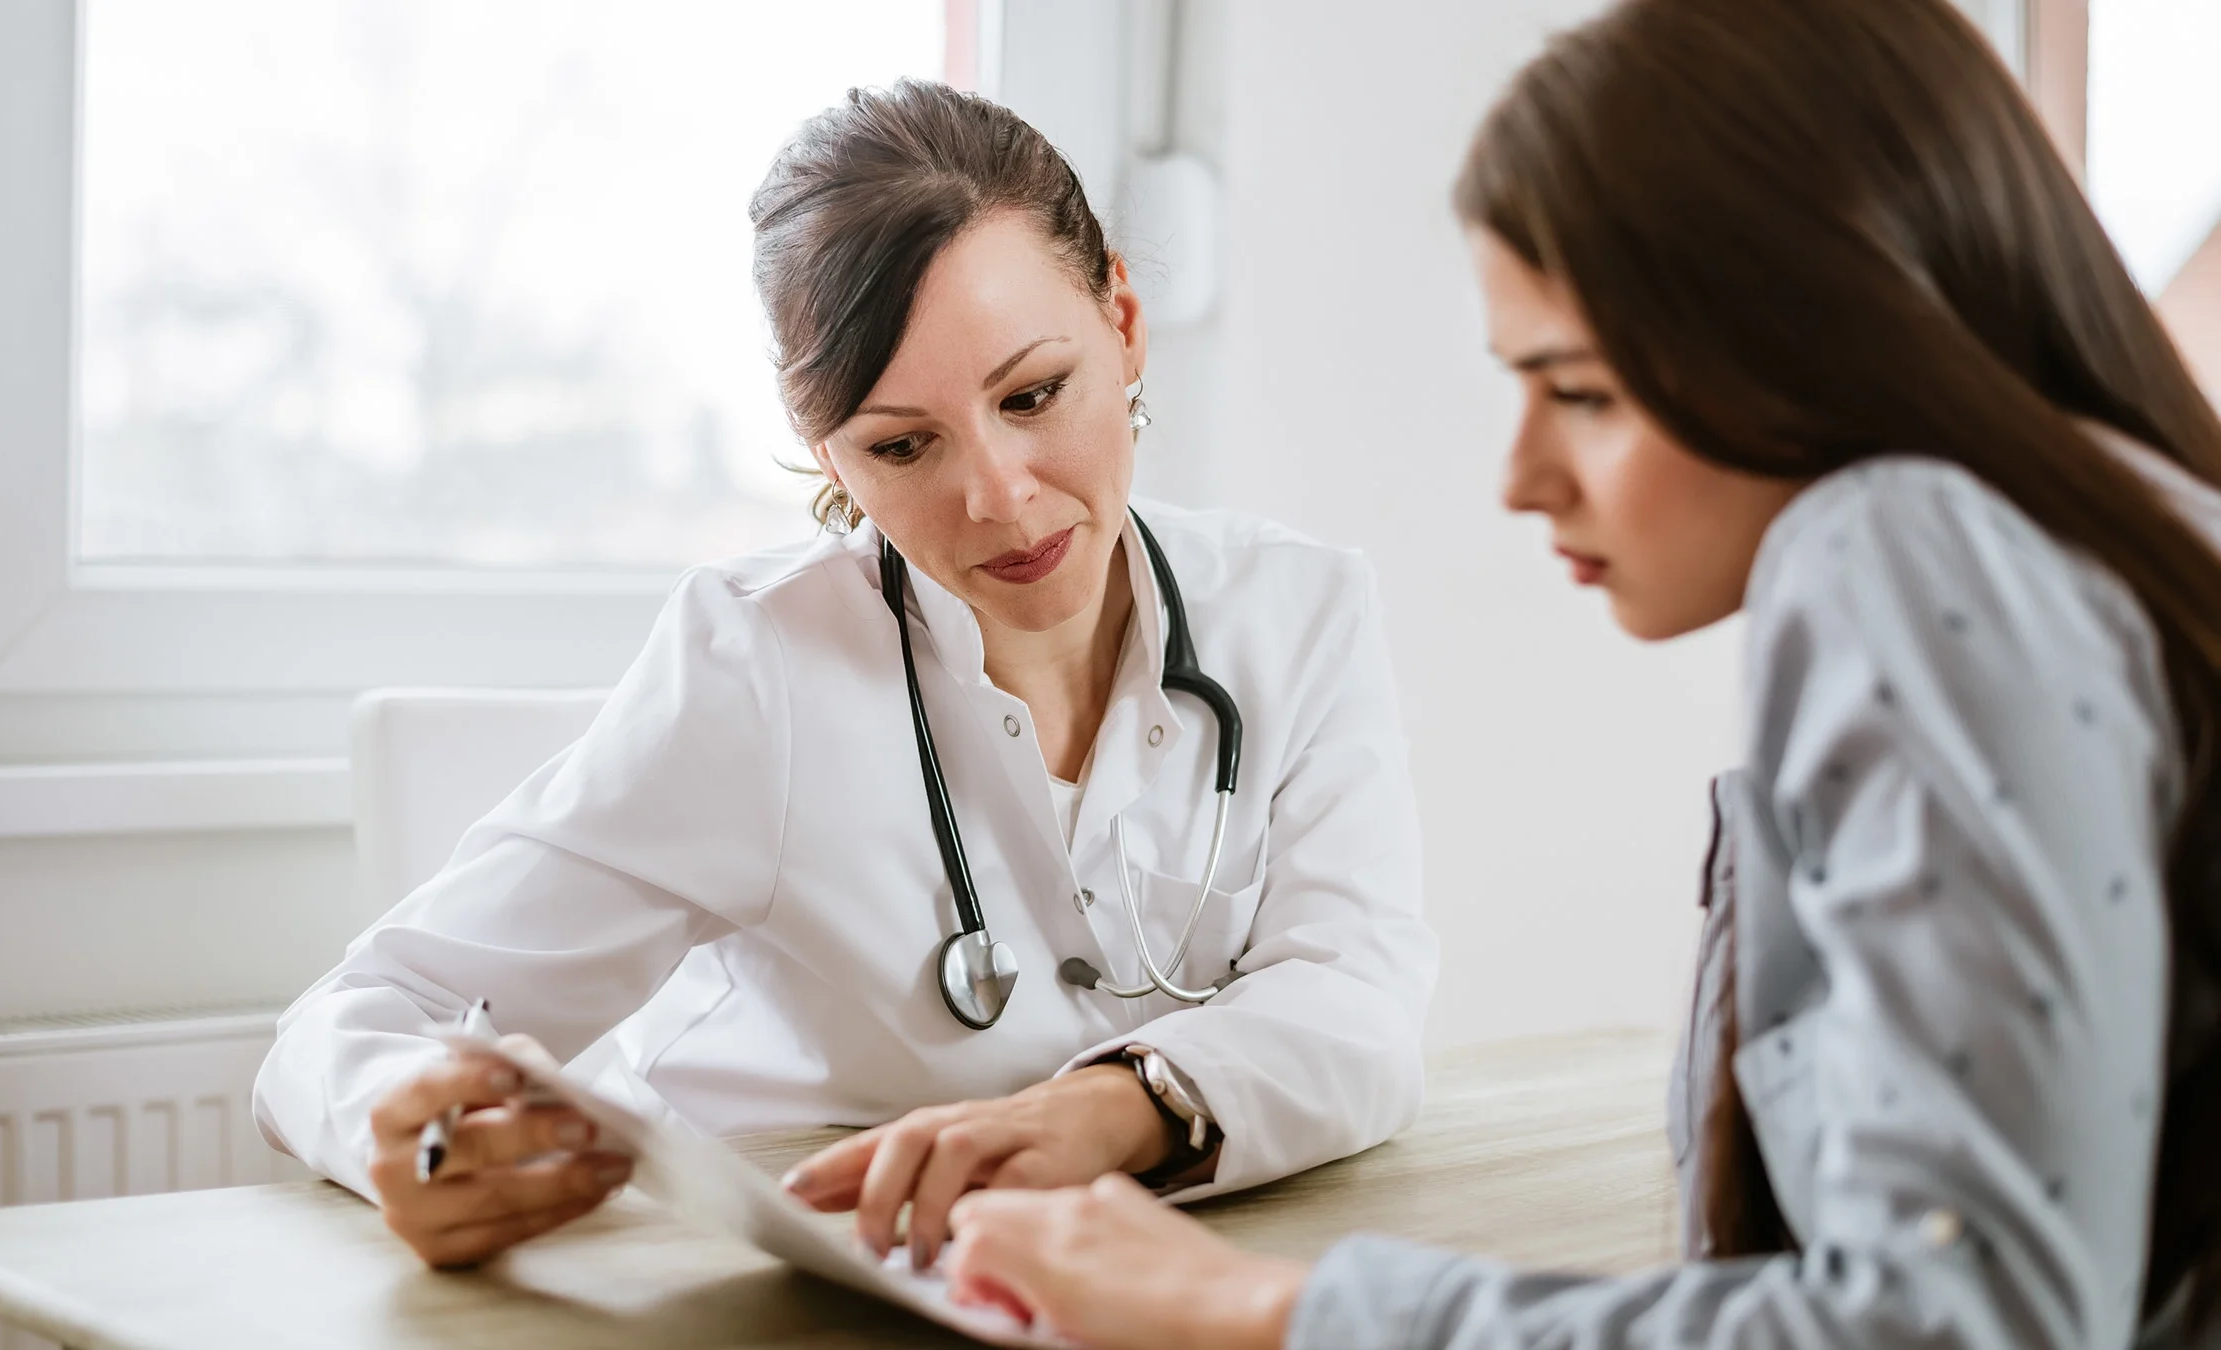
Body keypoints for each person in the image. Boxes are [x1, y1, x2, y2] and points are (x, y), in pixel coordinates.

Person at [937, 1, 2221, 1346]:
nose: (1522, 477)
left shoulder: (1901, 544)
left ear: (1829, 328)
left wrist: (1271, 1307)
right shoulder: (2122, 534)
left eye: (1583, 392)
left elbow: (1955, 1321)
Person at [252, 79, 1437, 1272]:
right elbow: (353, 1022)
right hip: (784, 1284)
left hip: (1143, 1282)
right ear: (827, 451)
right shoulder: (755, 667)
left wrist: (1117, 1107)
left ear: (1122, 321)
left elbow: (1360, 998)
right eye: (902, 445)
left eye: (1034, 395)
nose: (999, 495)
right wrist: (402, 1132)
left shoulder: (1299, 612)